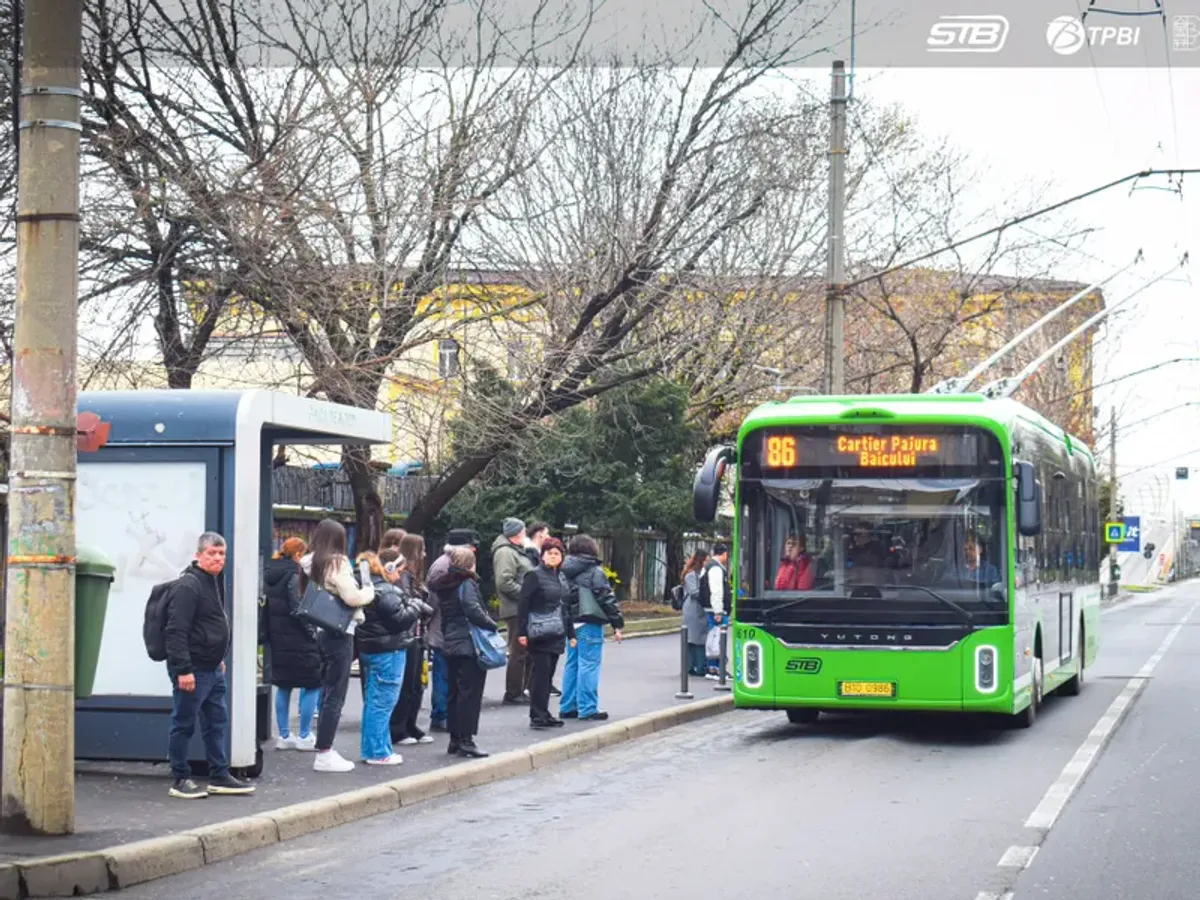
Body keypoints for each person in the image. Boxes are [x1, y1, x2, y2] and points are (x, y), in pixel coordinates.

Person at [164, 532, 254, 799]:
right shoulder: (188, 586)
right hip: (193, 669)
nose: (217, 558)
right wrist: (183, 670)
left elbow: (212, 622)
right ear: (198, 555)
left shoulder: (215, 581)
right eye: (211, 553)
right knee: (184, 723)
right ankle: (180, 778)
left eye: (221, 553)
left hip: (212, 668)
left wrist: (219, 659)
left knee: (217, 722)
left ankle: (219, 775)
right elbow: (176, 630)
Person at [303, 518, 375, 773]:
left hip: (322, 628)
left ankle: (323, 748)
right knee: (336, 693)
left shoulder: (310, 562)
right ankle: (325, 752)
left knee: (326, 691)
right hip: (341, 631)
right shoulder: (338, 562)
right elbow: (352, 597)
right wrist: (369, 592)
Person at [427, 546, 497, 758]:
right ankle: (467, 739)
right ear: (470, 564)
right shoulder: (467, 583)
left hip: (450, 641)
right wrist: (490, 624)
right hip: (468, 643)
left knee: (454, 692)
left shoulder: (445, 586)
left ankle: (455, 738)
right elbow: (472, 609)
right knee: (470, 693)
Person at [355, 550, 422, 766]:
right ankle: (378, 752)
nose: (400, 575)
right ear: (389, 568)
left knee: (373, 702)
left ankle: (374, 749)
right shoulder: (387, 590)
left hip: (370, 648)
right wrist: (416, 606)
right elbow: (400, 620)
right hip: (388, 650)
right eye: (399, 570)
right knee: (383, 703)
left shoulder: (367, 586)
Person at [264, 537, 321, 752]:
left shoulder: (271, 573)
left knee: (284, 686)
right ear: (298, 554)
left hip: (279, 639)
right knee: (312, 683)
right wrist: (312, 633)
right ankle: (305, 735)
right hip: (299, 639)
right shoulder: (293, 576)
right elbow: (298, 609)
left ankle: (285, 735)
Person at [560, 535, 624, 721]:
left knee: (572, 664)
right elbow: (606, 598)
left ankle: (567, 705)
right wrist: (617, 623)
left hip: (570, 622)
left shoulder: (563, 570)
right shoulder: (595, 571)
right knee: (589, 664)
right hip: (589, 621)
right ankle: (588, 708)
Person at [424, 528, 480, 732]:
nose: (474, 548)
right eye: (470, 545)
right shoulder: (445, 566)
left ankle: (445, 714)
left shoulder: (450, 563)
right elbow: (434, 600)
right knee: (443, 673)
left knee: (447, 673)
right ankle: (440, 715)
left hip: (445, 626)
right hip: (443, 627)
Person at [518, 537, 576, 728]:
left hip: (557, 631)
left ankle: (544, 711)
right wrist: (522, 632)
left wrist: (571, 634)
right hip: (539, 631)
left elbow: (565, 607)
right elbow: (523, 604)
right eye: (549, 553)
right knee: (541, 674)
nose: (553, 556)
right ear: (542, 556)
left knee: (548, 674)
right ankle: (537, 714)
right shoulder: (534, 576)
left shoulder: (560, 576)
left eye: (556, 553)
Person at [389, 536, 435, 745]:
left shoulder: (413, 576)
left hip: (417, 635)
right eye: (422, 549)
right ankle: (399, 728)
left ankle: (410, 724)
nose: (424, 554)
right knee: (407, 684)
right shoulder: (404, 576)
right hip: (408, 636)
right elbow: (406, 602)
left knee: (417, 684)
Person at [492, 517, 535, 705]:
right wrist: (526, 595)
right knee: (518, 651)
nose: (525, 534)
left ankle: (520, 689)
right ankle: (513, 692)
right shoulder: (505, 553)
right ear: (517, 533)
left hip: (521, 608)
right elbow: (504, 581)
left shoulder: (515, 551)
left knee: (524, 650)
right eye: (524, 531)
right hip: (516, 608)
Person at [701, 543, 732, 678]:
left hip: (710, 608)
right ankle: (718, 669)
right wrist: (718, 611)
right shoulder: (715, 568)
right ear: (724, 554)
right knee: (719, 638)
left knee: (714, 638)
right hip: (716, 610)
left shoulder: (708, 567)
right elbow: (716, 591)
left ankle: (713, 667)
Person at [681, 549, 710, 677]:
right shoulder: (691, 575)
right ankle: (694, 666)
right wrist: (708, 594)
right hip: (693, 610)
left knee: (698, 638)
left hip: (700, 609)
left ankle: (696, 666)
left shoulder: (702, 573)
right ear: (701, 560)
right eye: (707, 560)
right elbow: (694, 592)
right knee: (695, 638)